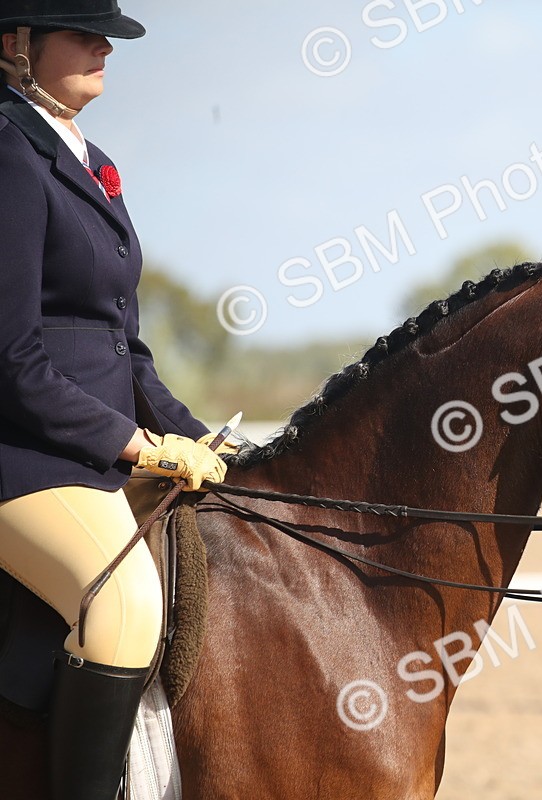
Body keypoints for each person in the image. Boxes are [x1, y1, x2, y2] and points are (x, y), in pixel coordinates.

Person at [0, 3, 231, 797]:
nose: (104, 45)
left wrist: (200, 437)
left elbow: (124, 348)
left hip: (90, 452)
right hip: (25, 459)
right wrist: (138, 446)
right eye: (81, 32)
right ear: (14, 44)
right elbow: (14, 362)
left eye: (106, 33)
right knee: (126, 604)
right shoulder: (7, 153)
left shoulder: (88, 158)